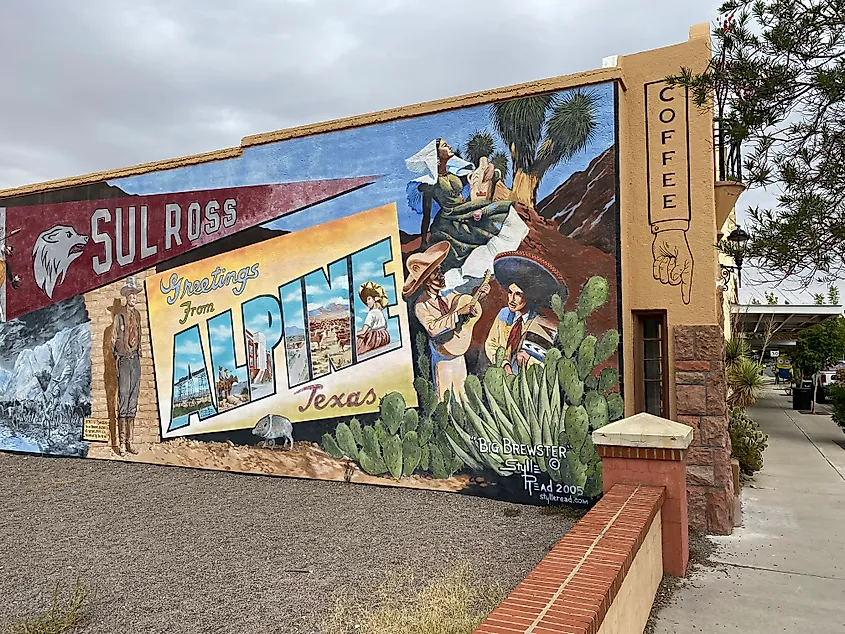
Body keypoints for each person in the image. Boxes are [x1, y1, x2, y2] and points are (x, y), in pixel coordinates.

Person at [406, 138, 528, 288]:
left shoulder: (452, 175)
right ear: (437, 155)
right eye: (445, 145)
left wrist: (491, 170)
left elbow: (477, 177)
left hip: (464, 209)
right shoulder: (430, 183)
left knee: (500, 210)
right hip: (450, 217)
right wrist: (424, 241)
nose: (449, 146)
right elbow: (426, 214)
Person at [403, 241, 489, 402]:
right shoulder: (421, 305)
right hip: (442, 357)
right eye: (436, 273)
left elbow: (462, 304)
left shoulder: (448, 294)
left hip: (458, 352)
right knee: (445, 398)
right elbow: (433, 328)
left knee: (463, 396)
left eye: (440, 270)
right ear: (427, 280)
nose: (441, 275)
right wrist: (458, 314)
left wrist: (480, 296)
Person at [485, 251, 567, 375]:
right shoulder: (504, 314)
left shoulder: (544, 326)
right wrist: (505, 365)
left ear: (528, 297)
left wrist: (528, 361)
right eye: (510, 292)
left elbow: (546, 368)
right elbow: (491, 344)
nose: (511, 299)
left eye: (518, 294)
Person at [111, 276, 142, 456]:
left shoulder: (137, 315)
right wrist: (118, 354)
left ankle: (130, 442)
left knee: (133, 400)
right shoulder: (119, 316)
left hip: (135, 361)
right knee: (123, 399)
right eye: (130, 295)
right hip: (124, 360)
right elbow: (113, 339)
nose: (133, 298)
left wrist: (138, 353)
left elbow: (140, 336)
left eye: (135, 295)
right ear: (126, 297)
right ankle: (121, 443)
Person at [356, 281, 391, 356]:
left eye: (369, 299)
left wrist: (354, 334)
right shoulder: (380, 311)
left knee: (359, 344)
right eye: (366, 300)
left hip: (375, 338)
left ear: (375, 298)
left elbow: (363, 331)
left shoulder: (371, 313)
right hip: (385, 336)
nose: (367, 302)